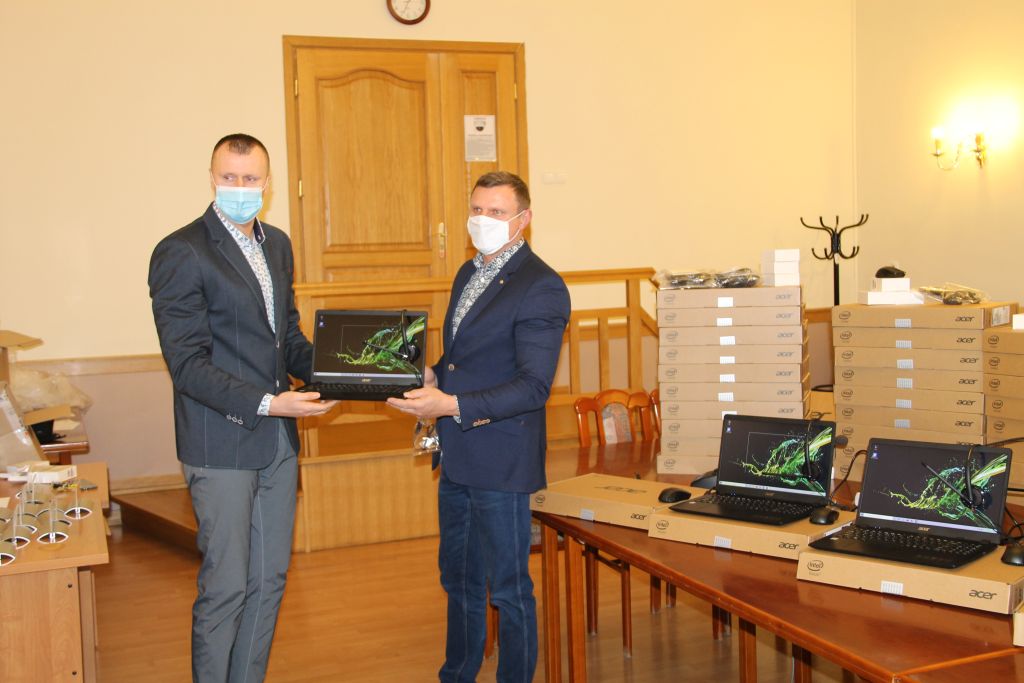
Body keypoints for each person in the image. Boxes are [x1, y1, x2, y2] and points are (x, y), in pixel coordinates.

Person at [149, 133, 337, 683]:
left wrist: (343, 374)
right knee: (227, 587)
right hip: (221, 441)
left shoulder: (277, 244)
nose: (240, 187)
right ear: (211, 178)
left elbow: (287, 338)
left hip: (277, 442)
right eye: (229, 177)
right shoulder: (181, 251)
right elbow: (187, 364)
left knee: (269, 581)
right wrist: (270, 402)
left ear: (267, 183)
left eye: (250, 178)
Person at [388, 171, 570, 682]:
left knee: (508, 588)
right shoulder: (468, 272)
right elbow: (464, 360)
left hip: (501, 459)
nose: (482, 220)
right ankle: (457, 673)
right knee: (458, 578)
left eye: (496, 212)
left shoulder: (541, 286)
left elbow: (533, 387)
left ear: (523, 220)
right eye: (476, 209)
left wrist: (450, 403)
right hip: (457, 453)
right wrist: (431, 376)